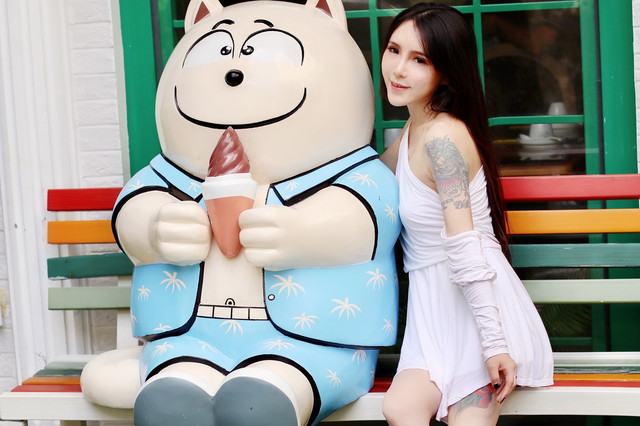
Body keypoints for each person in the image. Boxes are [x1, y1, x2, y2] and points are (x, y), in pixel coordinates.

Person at [378, 3, 554, 425]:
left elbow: (464, 244)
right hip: (432, 318)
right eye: (394, 50)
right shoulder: (413, 130)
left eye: (419, 60)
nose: (398, 69)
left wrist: (494, 344)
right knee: (400, 407)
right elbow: (366, 179)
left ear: (446, 71)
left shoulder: (443, 139)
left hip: (480, 315)